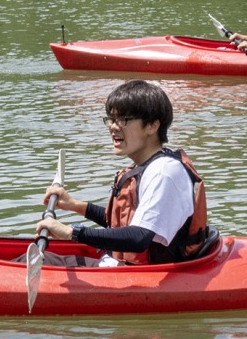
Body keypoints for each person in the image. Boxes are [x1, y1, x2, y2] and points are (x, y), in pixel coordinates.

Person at [33, 79, 217, 266]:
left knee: (28, 262)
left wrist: (72, 232)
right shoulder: (147, 166)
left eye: (123, 120)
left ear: (152, 126)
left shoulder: (163, 172)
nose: (113, 127)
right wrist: (75, 205)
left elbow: (139, 237)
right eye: (111, 119)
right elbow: (120, 223)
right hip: (120, 265)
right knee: (26, 259)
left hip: (141, 278)